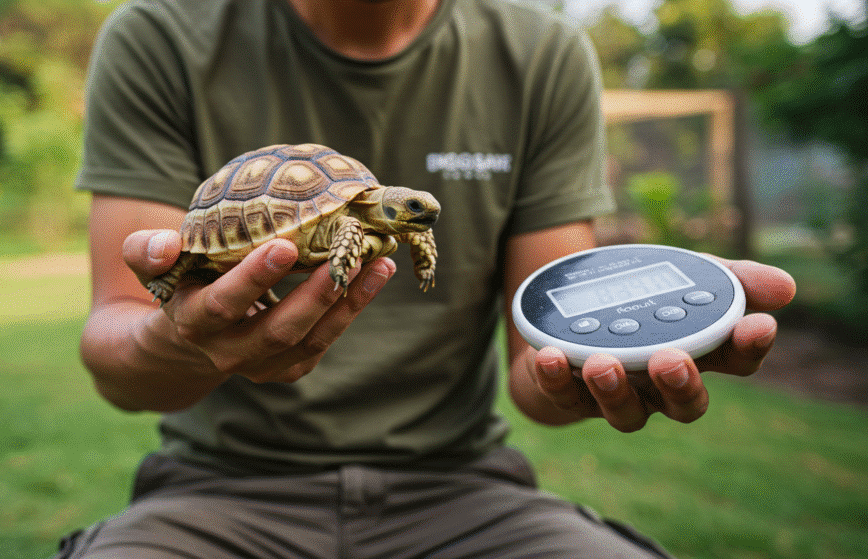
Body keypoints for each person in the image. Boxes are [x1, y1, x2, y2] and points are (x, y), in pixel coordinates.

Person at [58, 0, 797, 557]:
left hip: (462, 486)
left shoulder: (540, 54)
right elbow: (118, 349)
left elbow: (535, 366)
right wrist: (187, 340)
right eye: (412, 211)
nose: (421, 218)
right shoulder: (162, 34)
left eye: (420, 213)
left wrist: (606, 364)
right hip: (218, 490)